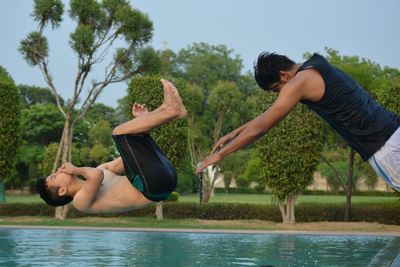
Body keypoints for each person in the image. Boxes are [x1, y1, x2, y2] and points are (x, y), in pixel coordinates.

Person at [196, 52, 400, 191]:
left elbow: (262, 127)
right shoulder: (315, 65)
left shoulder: (298, 83)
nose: (280, 95)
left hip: (382, 146)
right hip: (393, 129)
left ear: (283, 75)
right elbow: (267, 115)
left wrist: (221, 155)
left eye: (276, 89)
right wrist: (233, 134)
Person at [36, 79, 187, 213]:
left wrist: (142, 122)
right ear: (62, 190)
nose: (58, 171)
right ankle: (173, 111)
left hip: (161, 176)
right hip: (153, 188)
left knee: (131, 136)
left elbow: (132, 155)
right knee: (118, 133)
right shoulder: (80, 202)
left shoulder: (102, 169)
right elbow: (96, 177)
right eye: (55, 176)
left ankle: (167, 109)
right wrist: (75, 169)